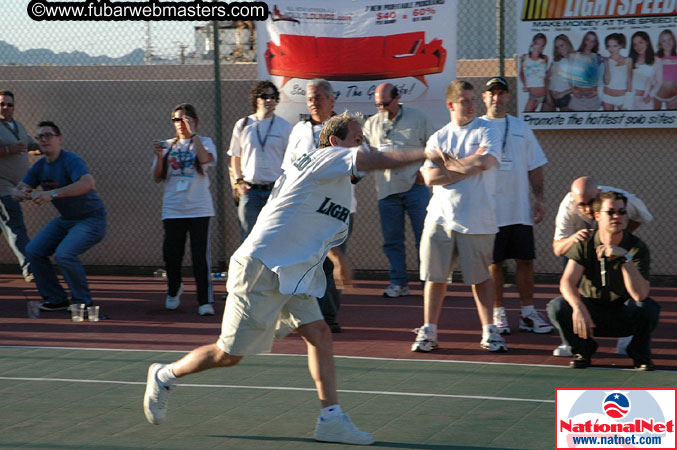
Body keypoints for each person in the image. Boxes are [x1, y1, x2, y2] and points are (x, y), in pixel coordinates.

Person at [143, 112, 444, 445]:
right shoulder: (323, 158)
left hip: (293, 274)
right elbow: (375, 158)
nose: (364, 145)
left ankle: (330, 419)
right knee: (228, 355)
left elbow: (307, 222)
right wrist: (425, 152)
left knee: (319, 333)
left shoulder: (335, 184)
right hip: (261, 267)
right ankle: (164, 375)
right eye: (358, 139)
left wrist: (338, 258)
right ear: (335, 143)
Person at [411, 80, 506, 353]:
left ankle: (490, 332)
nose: (472, 105)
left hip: (478, 220)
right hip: (440, 219)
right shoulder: (439, 137)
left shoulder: (487, 129)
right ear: (451, 105)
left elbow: (485, 162)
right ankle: (429, 331)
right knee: (434, 277)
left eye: (474, 99)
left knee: (480, 278)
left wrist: (448, 165)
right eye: (465, 101)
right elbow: (429, 177)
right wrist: (468, 164)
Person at [547, 191, 660, 370]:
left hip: (623, 315)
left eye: (622, 212)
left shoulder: (636, 247)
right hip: (590, 316)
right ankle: (583, 350)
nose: (617, 216)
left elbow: (640, 295)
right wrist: (578, 308)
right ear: (598, 216)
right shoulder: (585, 243)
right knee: (557, 306)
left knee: (648, 307)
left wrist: (624, 258)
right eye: (611, 212)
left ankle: (639, 353)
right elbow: (567, 282)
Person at [480, 77, 552, 336]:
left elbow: (535, 165)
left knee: (525, 260)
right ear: (484, 98)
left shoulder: (522, 127)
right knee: (495, 263)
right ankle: (498, 313)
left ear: (509, 97)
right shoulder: (476, 127)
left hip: (520, 210)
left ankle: (528, 312)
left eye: (501, 93)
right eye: (492, 93)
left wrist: (540, 199)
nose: (497, 98)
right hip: (489, 212)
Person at [12, 121, 106, 311]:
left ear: (59, 139)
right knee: (34, 251)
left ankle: (83, 303)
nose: (44, 140)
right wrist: (22, 194)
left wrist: (52, 194)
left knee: (65, 254)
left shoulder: (71, 160)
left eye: (48, 135)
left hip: (91, 219)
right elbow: (19, 190)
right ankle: (56, 299)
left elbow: (88, 183)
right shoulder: (39, 166)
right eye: (40, 137)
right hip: (67, 220)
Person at [284, 78, 348, 333]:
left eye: (318, 97)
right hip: (302, 208)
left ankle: (328, 316)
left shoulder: (345, 127)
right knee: (308, 261)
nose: (313, 102)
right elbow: (288, 167)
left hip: (335, 207)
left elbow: (355, 167)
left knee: (327, 261)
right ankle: (310, 316)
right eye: (310, 98)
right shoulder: (299, 129)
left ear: (331, 100)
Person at [363, 82, 434, 298]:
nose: (382, 108)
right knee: (392, 241)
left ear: (397, 98)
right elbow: (364, 153)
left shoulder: (418, 117)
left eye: (385, 103)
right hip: (386, 189)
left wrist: (425, 172)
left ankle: (429, 284)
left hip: (415, 187)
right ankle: (398, 283)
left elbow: (433, 147)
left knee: (424, 237)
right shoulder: (371, 124)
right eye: (378, 105)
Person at [152, 104, 217, 316]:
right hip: (173, 209)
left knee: (200, 257)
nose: (180, 124)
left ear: (194, 120)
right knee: (171, 255)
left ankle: (204, 301)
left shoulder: (204, 142)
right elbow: (157, 177)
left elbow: (205, 159)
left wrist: (193, 134)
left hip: (199, 209)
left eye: (184, 119)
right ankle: (174, 289)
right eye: (176, 120)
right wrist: (160, 156)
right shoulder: (168, 145)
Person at [228, 81, 292, 241]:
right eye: (264, 96)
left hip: (275, 191)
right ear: (256, 99)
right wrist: (238, 182)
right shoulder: (243, 125)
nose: (269, 100)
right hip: (250, 191)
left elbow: (292, 161)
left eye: (272, 97)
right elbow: (235, 156)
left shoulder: (284, 126)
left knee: (275, 238)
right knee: (249, 238)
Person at [0, 90, 39, 282]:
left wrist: (41, 148)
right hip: (2, 185)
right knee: (15, 223)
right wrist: (8, 150)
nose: (5, 107)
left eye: (9, 104)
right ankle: (30, 268)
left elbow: (29, 145)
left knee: (6, 224)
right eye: (2, 104)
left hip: (17, 186)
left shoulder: (18, 126)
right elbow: (13, 149)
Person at [569, 31, 604, 111]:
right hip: (578, 97)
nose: (590, 43)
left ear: (595, 43)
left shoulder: (597, 57)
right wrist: (573, 90)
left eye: (593, 41)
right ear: (584, 40)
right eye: (588, 40)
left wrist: (597, 91)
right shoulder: (575, 55)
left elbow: (601, 78)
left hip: (592, 98)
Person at [629, 31, 662, 110]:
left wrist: (650, 95)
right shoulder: (630, 60)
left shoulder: (657, 61)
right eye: (635, 44)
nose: (638, 47)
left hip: (645, 100)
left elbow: (659, 81)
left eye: (641, 42)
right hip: (629, 99)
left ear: (647, 42)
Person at [543, 34, 575, 112]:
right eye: (557, 47)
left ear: (568, 44)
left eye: (562, 45)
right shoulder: (555, 61)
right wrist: (548, 96)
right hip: (549, 97)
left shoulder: (576, 59)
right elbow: (547, 79)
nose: (560, 49)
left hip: (564, 98)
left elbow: (583, 85)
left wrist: (563, 93)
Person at [602, 33, 632, 111]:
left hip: (622, 97)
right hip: (607, 96)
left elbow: (629, 81)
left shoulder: (628, 60)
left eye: (615, 46)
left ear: (621, 46)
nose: (611, 49)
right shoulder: (606, 61)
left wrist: (628, 100)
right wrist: (606, 63)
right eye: (609, 46)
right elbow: (606, 81)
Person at [520, 33, 548, 112]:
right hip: (532, 96)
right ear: (532, 43)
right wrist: (525, 85)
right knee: (527, 116)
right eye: (537, 44)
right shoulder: (524, 58)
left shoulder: (545, 58)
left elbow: (546, 74)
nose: (539, 48)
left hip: (545, 95)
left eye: (542, 46)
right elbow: (521, 73)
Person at [653, 29, 677, 110]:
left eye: (670, 39)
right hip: (656, 96)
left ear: (674, 40)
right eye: (664, 41)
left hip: (673, 97)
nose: (667, 43)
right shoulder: (656, 57)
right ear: (660, 44)